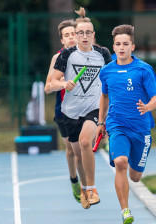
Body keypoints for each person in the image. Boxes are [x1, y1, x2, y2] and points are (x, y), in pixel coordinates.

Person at [96, 24, 156, 224]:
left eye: (126, 44)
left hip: (141, 128)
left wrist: (147, 107)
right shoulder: (107, 71)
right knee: (120, 163)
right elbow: (104, 97)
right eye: (118, 44)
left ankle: (136, 167)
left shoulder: (144, 69)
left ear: (132, 46)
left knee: (135, 177)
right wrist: (101, 121)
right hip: (116, 124)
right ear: (113, 46)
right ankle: (125, 210)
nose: (121, 47)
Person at [50, 7, 111, 209]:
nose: (84, 36)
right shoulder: (66, 55)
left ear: (93, 35)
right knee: (77, 154)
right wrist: (63, 84)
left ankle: (92, 188)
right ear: (75, 36)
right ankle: (84, 188)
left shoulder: (102, 54)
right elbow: (50, 85)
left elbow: (112, 80)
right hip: (70, 112)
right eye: (80, 33)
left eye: (88, 33)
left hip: (94, 109)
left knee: (86, 142)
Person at [44, 19, 82, 203]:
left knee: (82, 145)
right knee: (71, 149)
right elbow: (47, 87)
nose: (71, 38)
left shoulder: (89, 55)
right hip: (64, 110)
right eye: (66, 35)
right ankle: (74, 178)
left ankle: (88, 185)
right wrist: (63, 84)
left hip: (85, 108)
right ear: (62, 40)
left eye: (73, 33)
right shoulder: (57, 58)